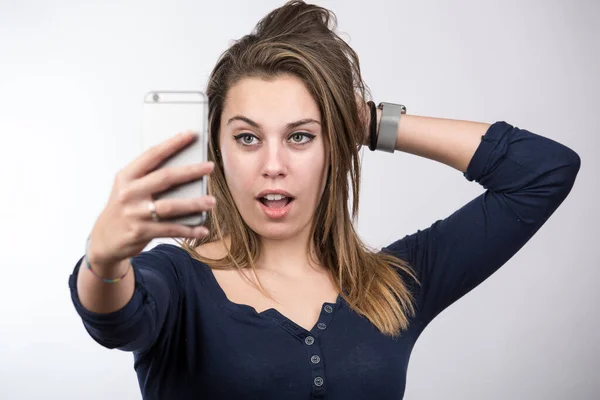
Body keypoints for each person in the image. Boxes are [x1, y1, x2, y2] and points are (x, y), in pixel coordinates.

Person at [68, 1, 581, 399]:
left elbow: (541, 172)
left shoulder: (392, 285)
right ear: (216, 149)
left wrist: (366, 120)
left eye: (300, 137)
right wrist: (106, 257)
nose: (273, 163)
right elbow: (116, 317)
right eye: (247, 137)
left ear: (334, 146)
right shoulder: (176, 283)